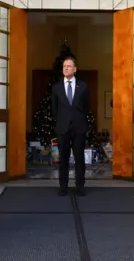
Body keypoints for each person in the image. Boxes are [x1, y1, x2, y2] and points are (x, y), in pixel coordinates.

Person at [51, 57, 90, 196]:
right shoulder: (56, 88)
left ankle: (80, 186)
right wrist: (62, 121)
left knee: (79, 158)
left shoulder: (83, 86)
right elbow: (54, 109)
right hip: (63, 128)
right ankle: (63, 187)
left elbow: (86, 107)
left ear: (75, 69)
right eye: (64, 66)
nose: (65, 68)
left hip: (79, 127)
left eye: (68, 66)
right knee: (63, 159)